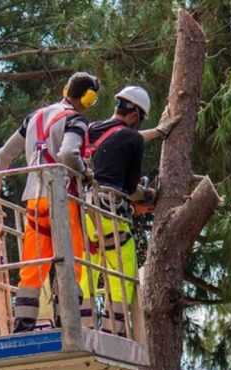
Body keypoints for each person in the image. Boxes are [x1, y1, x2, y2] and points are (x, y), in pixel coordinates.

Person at [0, 72, 98, 333]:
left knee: (33, 267)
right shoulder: (75, 119)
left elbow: (3, 155)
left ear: (66, 90)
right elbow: (68, 153)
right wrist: (85, 174)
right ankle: (67, 324)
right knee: (71, 261)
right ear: (88, 98)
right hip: (63, 198)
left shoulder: (33, 118)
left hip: (34, 201)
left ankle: (23, 326)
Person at [80, 85, 180, 335]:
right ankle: (113, 331)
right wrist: (147, 196)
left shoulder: (92, 130)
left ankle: (83, 325)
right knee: (122, 272)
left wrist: (157, 132)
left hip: (84, 211)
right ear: (135, 115)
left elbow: (119, 136)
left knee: (87, 268)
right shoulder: (132, 139)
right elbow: (129, 188)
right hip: (110, 212)